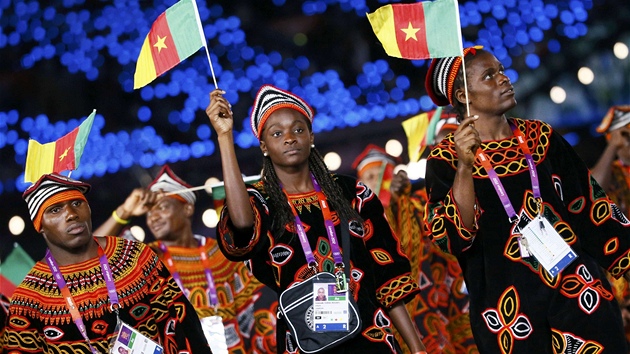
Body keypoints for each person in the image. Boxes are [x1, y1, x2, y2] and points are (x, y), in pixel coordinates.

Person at [423, 45, 630, 353]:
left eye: (502, 70)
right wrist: (465, 165)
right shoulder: (446, 159)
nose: (504, 79)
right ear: (464, 95)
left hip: (580, 296)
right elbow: (453, 237)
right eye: (489, 76)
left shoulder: (542, 138)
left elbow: (591, 207)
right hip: (511, 317)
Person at [206, 84, 427, 354]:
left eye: (298, 129)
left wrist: (417, 348)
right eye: (277, 133)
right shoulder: (260, 202)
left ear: (311, 136)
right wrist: (225, 137)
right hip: (305, 343)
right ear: (264, 146)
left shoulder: (352, 193)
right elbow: (240, 226)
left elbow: (388, 276)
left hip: (370, 339)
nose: (289, 137)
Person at [2, 173, 211, 353]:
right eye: (55, 210)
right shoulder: (29, 299)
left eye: (77, 203)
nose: (71, 214)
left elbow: (184, 326)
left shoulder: (135, 258)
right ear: (40, 226)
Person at [94, 164, 278, 354]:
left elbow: (255, 306)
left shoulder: (220, 252)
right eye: (149, 212)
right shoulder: (145, 258)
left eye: (162, 208)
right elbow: (93, 255)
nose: (153, 217)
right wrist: (124, 211)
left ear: (188, 208)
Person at [353, 141, 477, 354]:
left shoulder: (418, 204)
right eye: (370, 178)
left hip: (438, 302)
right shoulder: (354, 221)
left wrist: (400, 200)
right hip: (391, 313)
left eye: (383, 174)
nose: (378, 181)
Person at [590, 104, 630, 347]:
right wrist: (612, 147)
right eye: (625, 134)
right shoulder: (612, 172)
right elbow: (591, 190)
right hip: (620, 279)